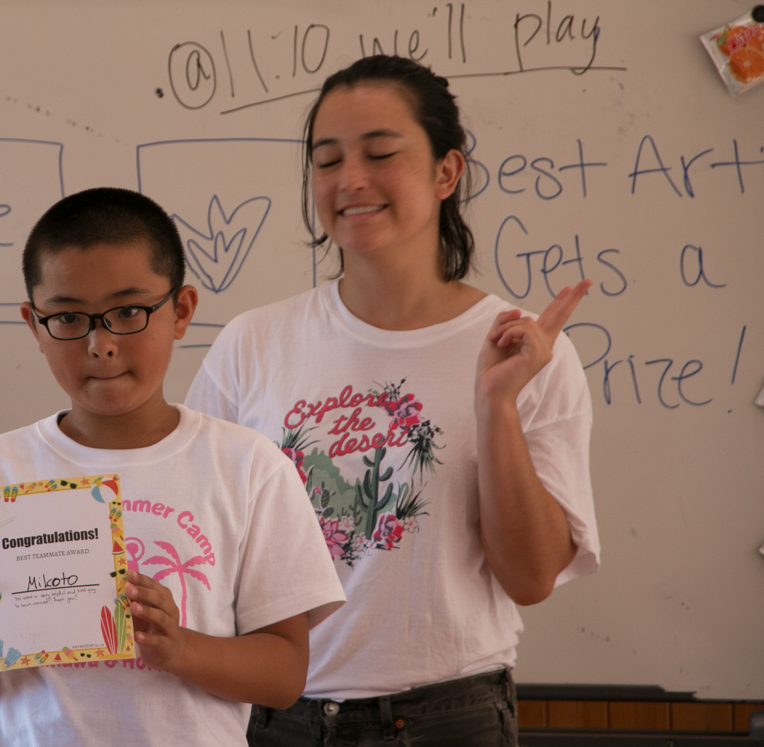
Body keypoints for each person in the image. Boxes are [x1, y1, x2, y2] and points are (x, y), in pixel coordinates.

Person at [184, 55, 600, 747]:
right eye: (326, 160)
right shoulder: (251, 342)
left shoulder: (522, 350)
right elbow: (198, 538)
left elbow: (530, 578)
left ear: (446, 172)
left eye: (381, 153)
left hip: (448, 716)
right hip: (272, 715)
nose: (350, 180)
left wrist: (495, 406)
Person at [0, 188, 346, 746]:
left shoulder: (248, 468)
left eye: (128, 311)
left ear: (180, 311)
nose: (99, 343)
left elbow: (283, 675)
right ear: (34, 325)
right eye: (67, 317)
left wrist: (178, 646)